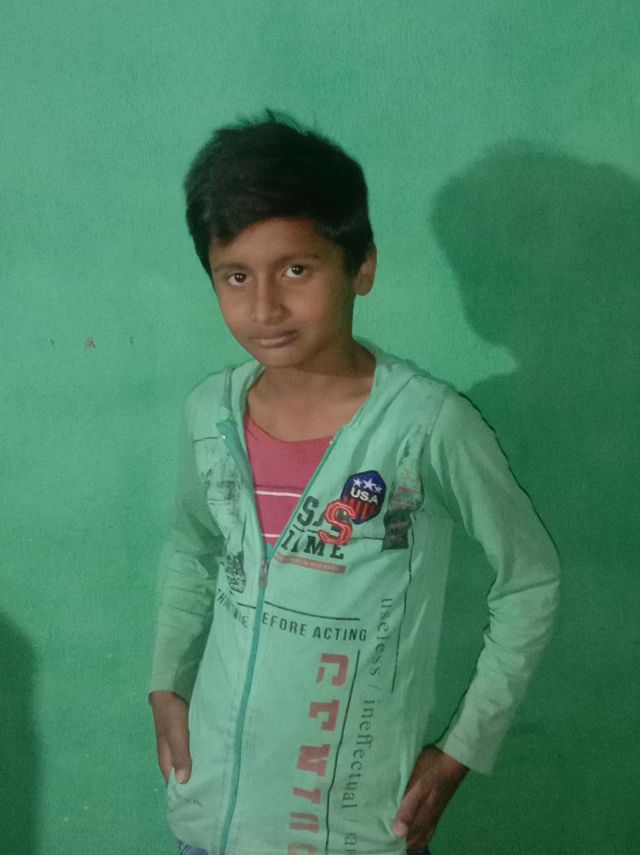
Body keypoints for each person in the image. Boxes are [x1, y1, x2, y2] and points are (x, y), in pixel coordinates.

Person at [149, 110, 560, 855]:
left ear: (361, 267)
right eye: (236, 276)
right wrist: (164, 681)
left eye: (296, 270)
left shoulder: (425, 426)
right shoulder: (209, 414)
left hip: (355, 830)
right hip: (209, 822)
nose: (265, 306)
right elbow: (191, 550)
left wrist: (464, 747)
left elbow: (530, 581)